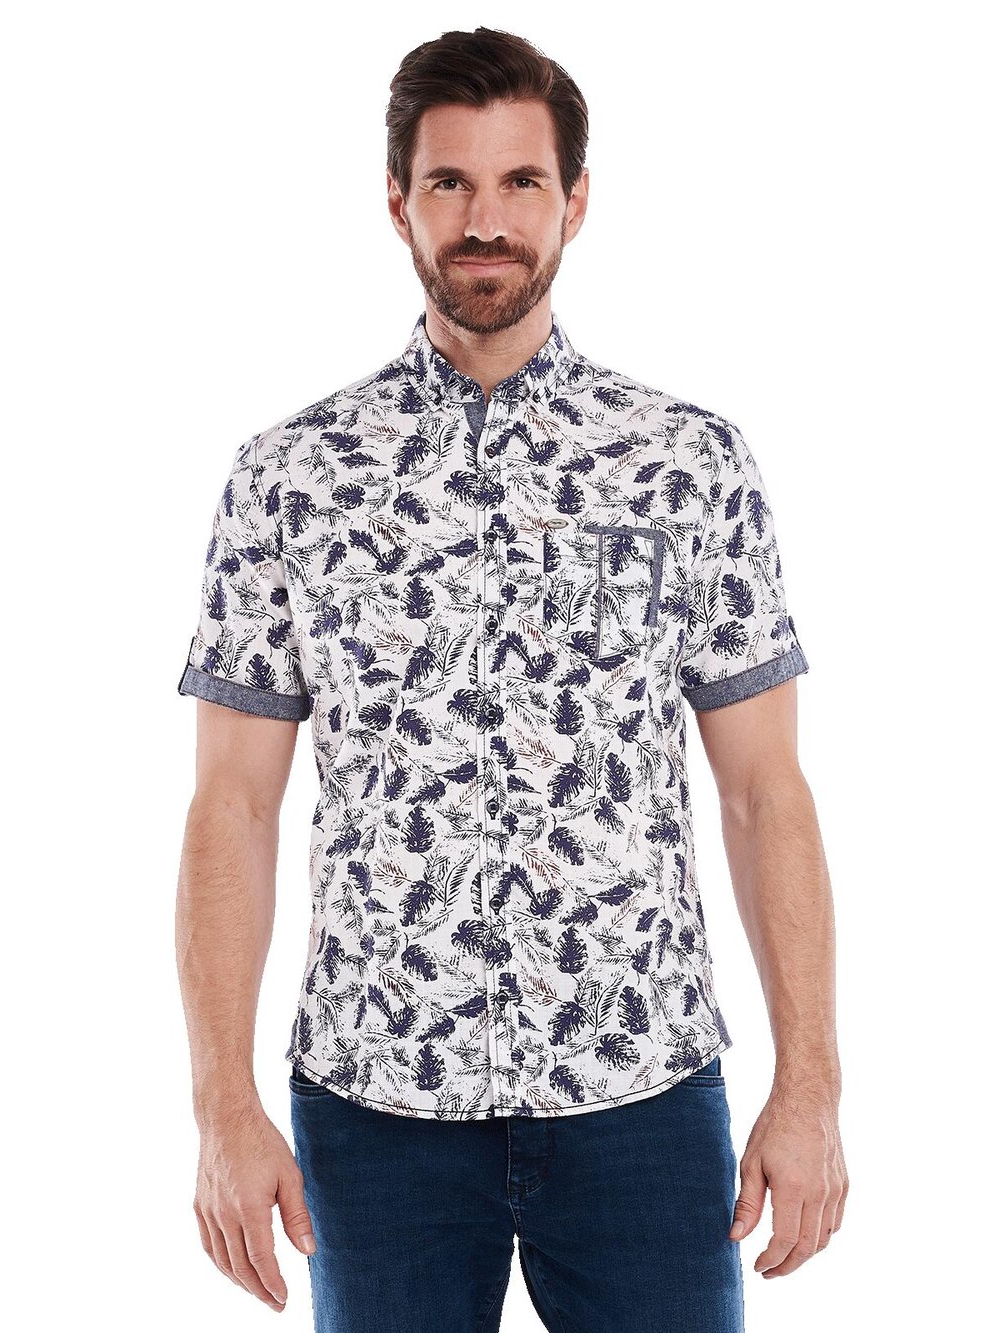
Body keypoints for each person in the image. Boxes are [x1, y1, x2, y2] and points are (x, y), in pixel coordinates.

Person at [174, 25, 847, 1333]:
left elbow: (766, 791)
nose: (486, 222)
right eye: (451, 183)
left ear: (575, 201)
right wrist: (222, 1107)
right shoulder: (290, 479)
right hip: (377, 1113)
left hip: (643, 1097)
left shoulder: (688, 466)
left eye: (521, 182)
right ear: (398, 201)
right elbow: (231, 806)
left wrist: (811, 1084)